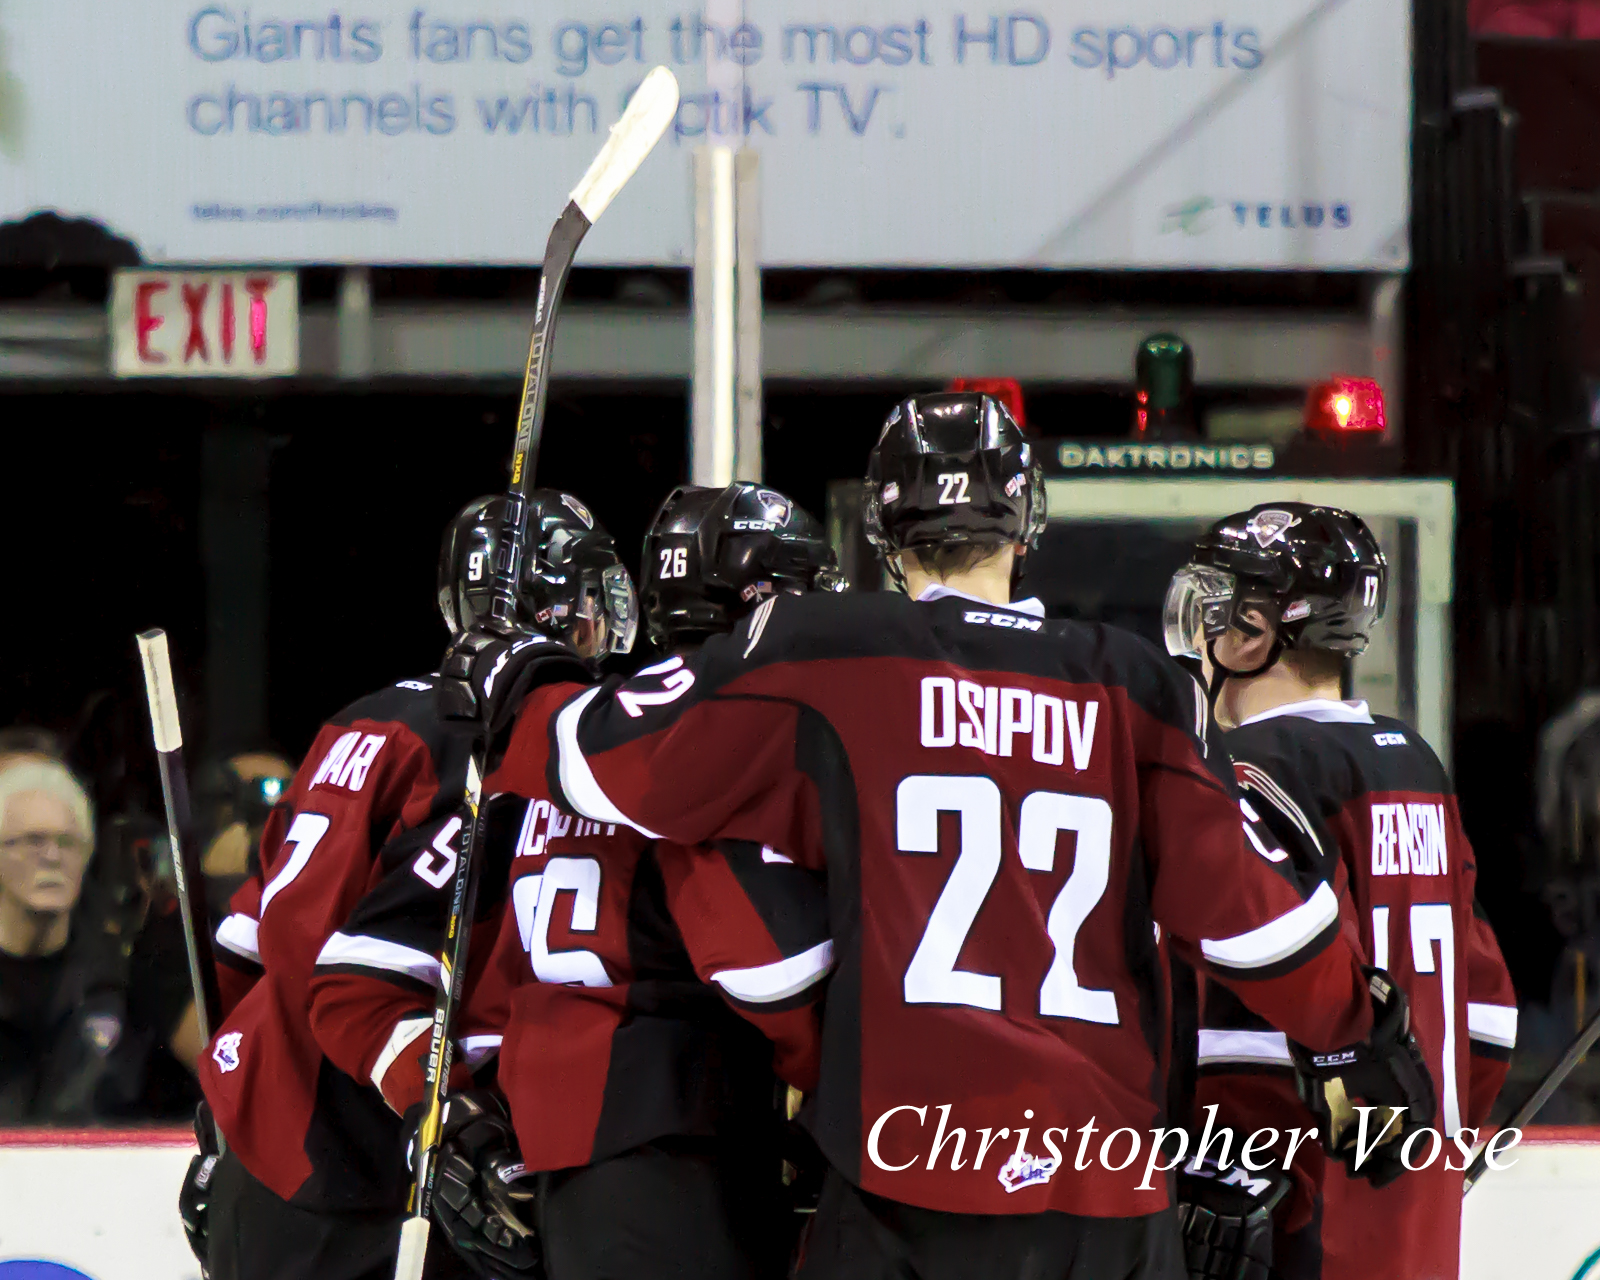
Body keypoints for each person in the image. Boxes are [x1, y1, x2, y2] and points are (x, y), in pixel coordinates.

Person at [456, 392, 1436, 1280]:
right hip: (1102, 1178)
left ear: (884, 530)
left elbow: (595, 761)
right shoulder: (1135, 682)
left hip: (902, 1168)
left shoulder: (826, 650)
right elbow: (1256, 922)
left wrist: (517, 679)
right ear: (1026, 521)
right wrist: (1358, 1027)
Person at [311, 481, 840, 1280]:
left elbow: (362, 975)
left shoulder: (559, 748)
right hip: (674, 1135)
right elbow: (759, 958)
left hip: (564, 1150)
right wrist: (843, 1086)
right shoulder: (712, 745)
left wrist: (457, 1118)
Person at [189, 490, 635, 1280]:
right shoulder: (509, 740)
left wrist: (223, 1116)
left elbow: (247, 946)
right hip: (372, 1169)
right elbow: (368, 977)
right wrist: (455, 1121)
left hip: (264, 1160)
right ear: (571, 609)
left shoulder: (362, 718)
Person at [1164, 503, 1518, 1280]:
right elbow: (1487, 1016)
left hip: (1289, 1210)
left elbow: (1268, 970)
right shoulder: (1415, 764)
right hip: (1415, 1221)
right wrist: (1424, 1139)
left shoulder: (1245, 770)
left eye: (1215, 607)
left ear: (1253, 629)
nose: (1198, 632)